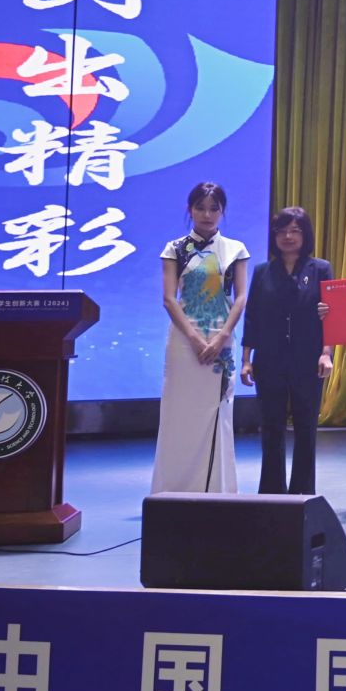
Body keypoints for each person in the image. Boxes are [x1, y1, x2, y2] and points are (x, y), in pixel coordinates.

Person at [151, 182, 251, 494]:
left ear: (222, 211)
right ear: (190, 209)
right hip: (184, 342)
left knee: (218, 412)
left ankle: (218, 490)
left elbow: (241, 297)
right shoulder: (174, 249)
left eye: (213, 209)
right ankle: (173, 491)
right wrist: (194, 339)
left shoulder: (235, 249)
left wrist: (223, 336)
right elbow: (169, 299)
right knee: (178, 413)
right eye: (200, 208)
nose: (207, 215)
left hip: (222, 340)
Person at [240, 206, 331, 495]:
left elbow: (332, 316)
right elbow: (252, 317)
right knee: (271, 428)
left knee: (306, 428)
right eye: (282, 231)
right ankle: (271, 493)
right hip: (269, 360)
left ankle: (303, 493)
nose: (288, 236)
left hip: (308, 359)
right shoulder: (262, 271)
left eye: (295, 230)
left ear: (305, 235)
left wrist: (326, 353)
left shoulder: (321, 269)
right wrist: (246, 359)